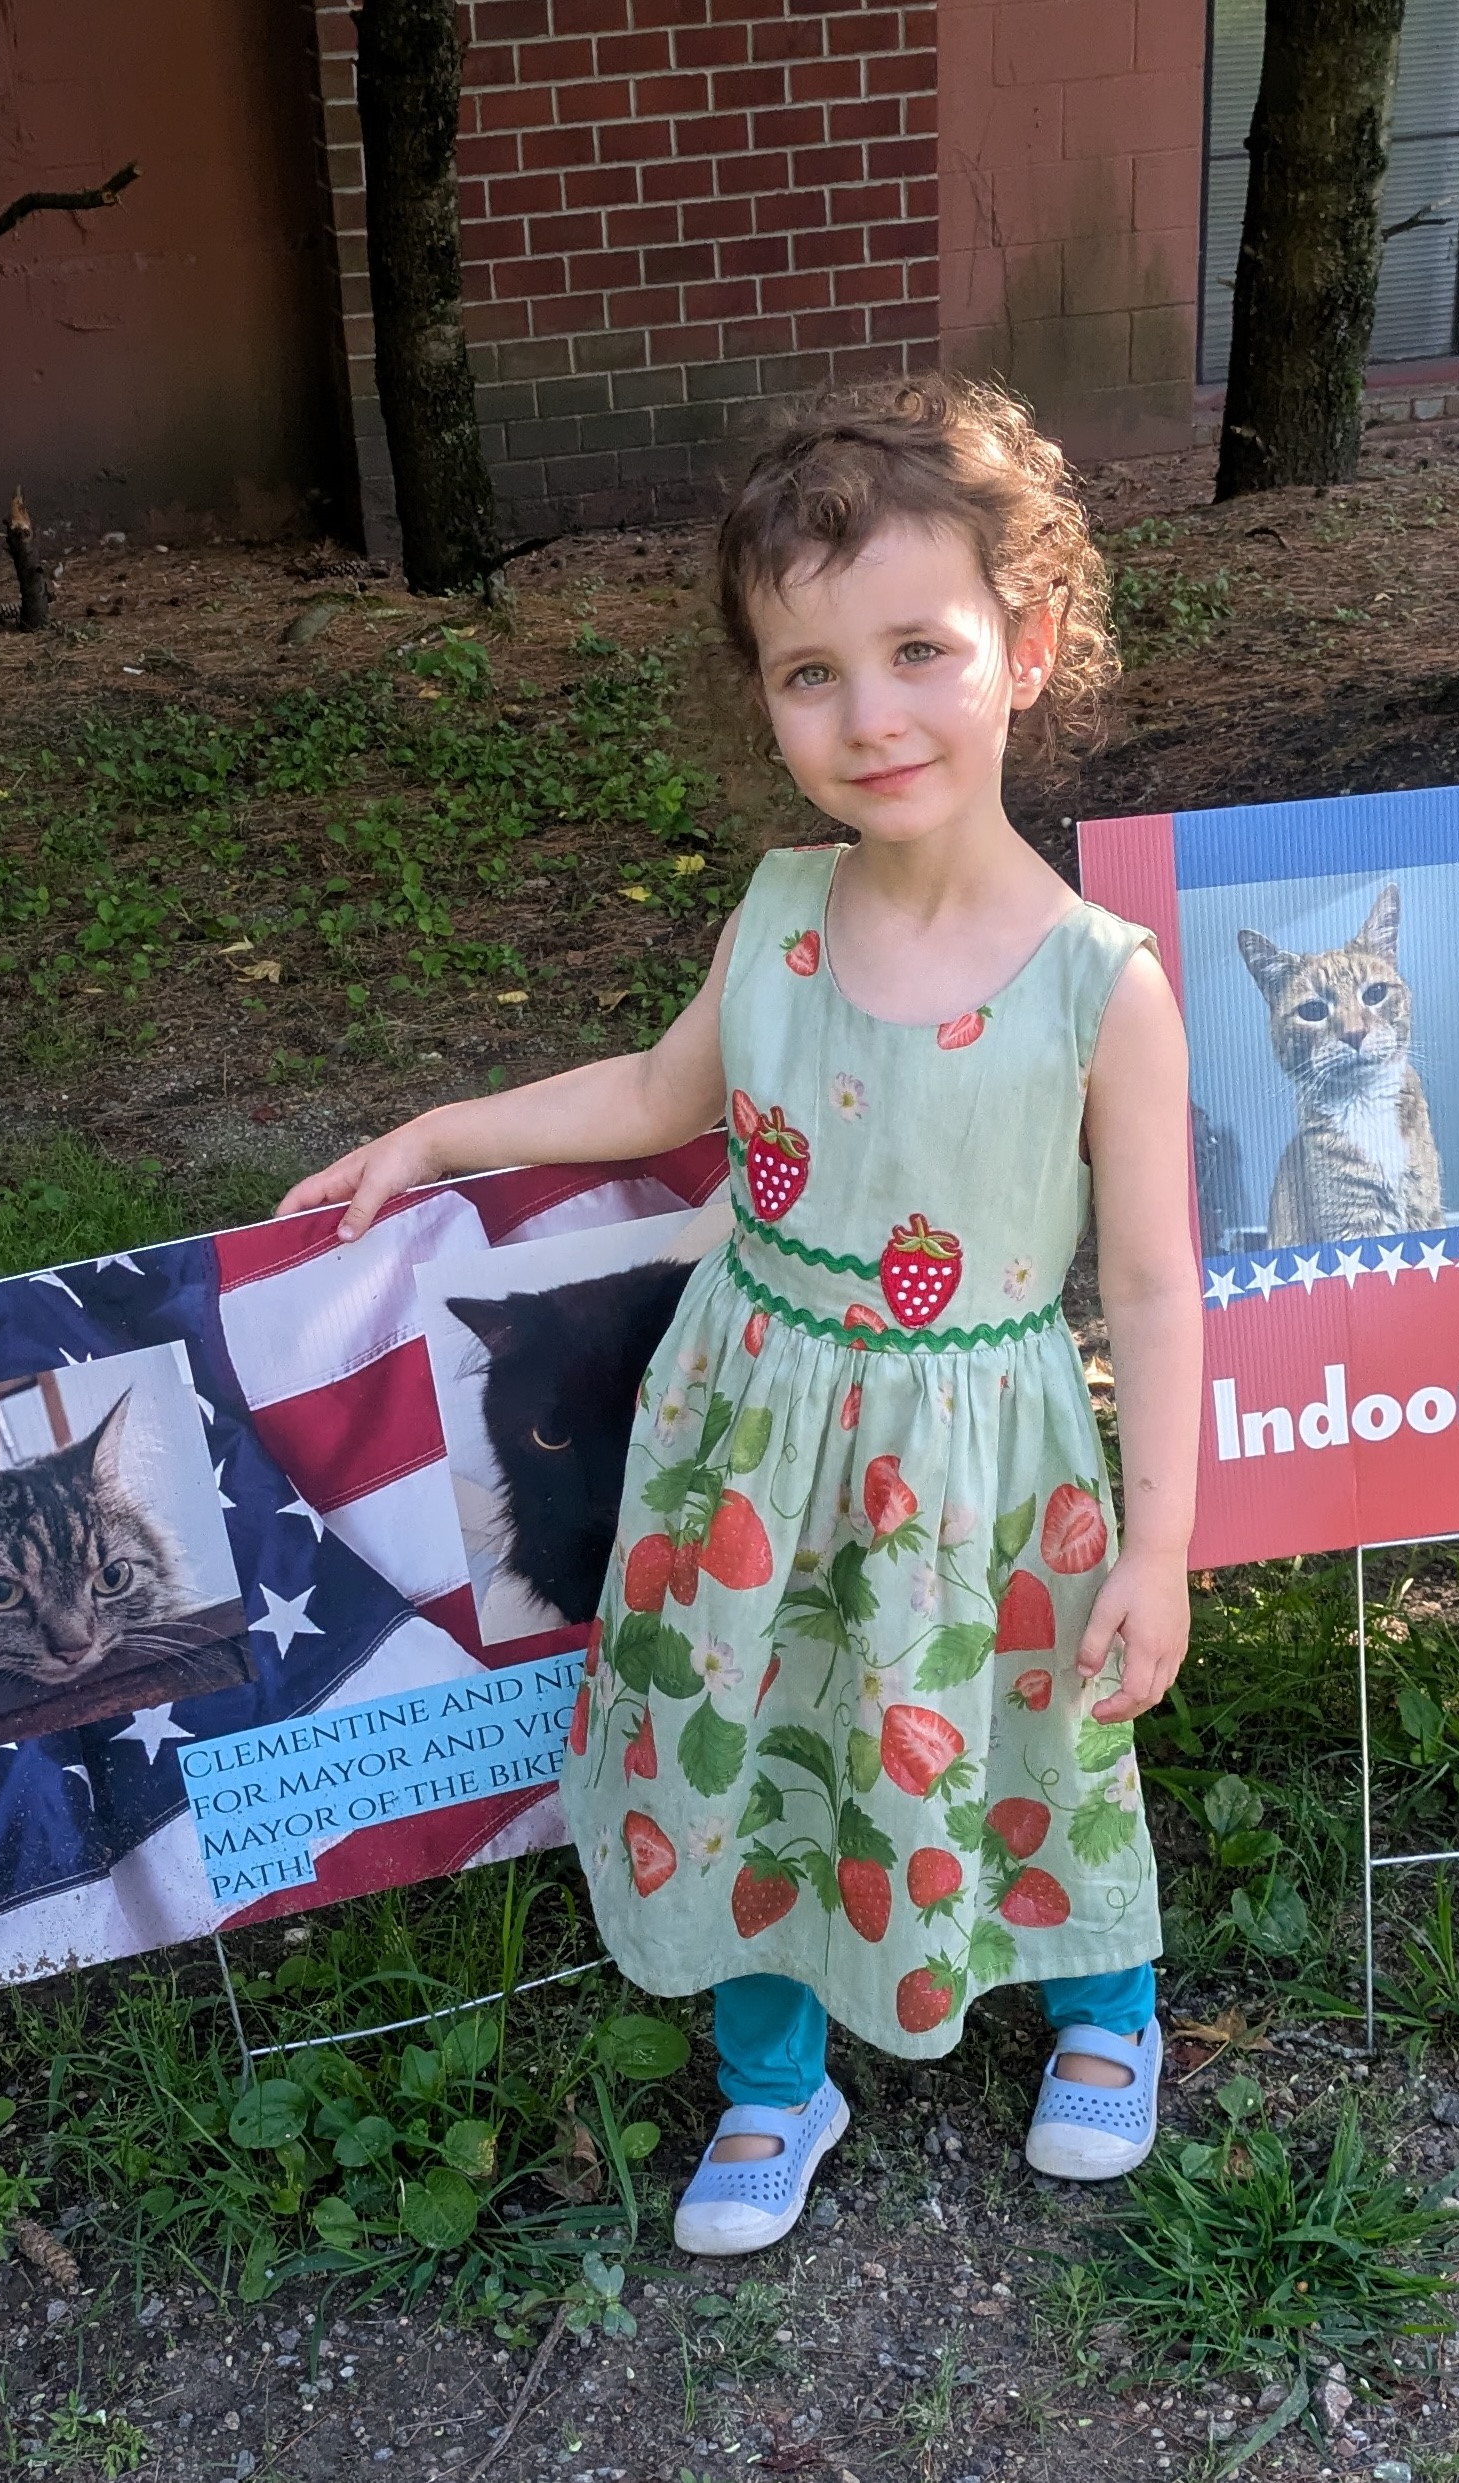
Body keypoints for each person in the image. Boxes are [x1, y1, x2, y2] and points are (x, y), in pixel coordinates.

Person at [277, 376, 1202, 2256]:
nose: (870, 717)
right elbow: (653, 1094)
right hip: (752, 1440)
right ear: (765, 697)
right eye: (809, 673)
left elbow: (1152, 1280)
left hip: (976, 1464)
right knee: (757, 1725)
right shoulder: (778, 915)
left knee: (1015, 1730)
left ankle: (1105, 2006)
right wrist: (444, 1130)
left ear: (1028, 650)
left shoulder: (1101, 986)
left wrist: (1163, 1544)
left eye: (920, 651)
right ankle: (777, 2076)